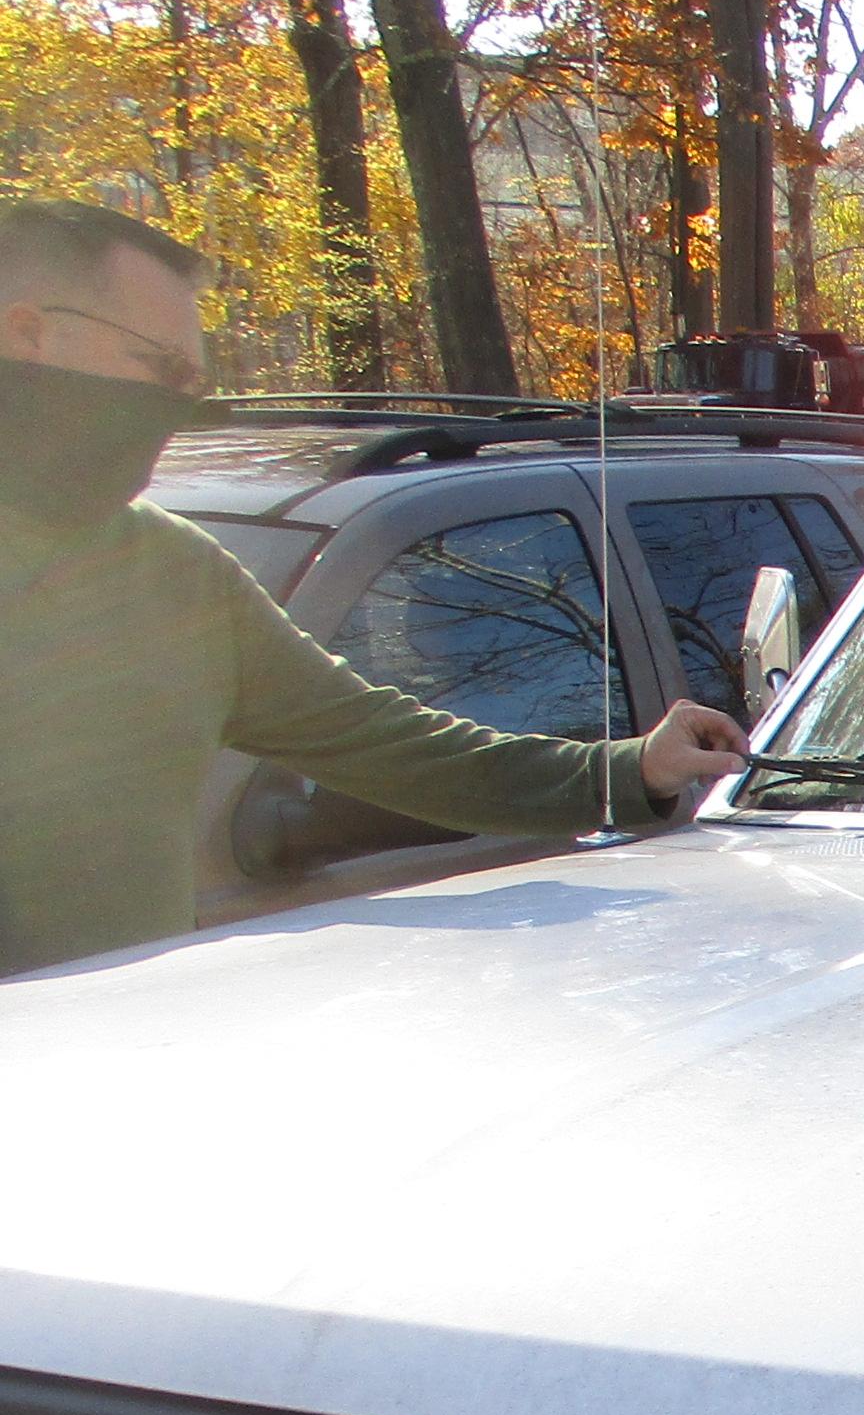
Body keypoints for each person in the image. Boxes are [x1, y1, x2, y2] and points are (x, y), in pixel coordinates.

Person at [0, 198, 748, 979]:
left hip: (107, 1060)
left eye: (193, 377)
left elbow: (391, 748)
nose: (180, 402)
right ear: (30, 333)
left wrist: (628, 770)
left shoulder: (176, 575)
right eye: (162, 368)